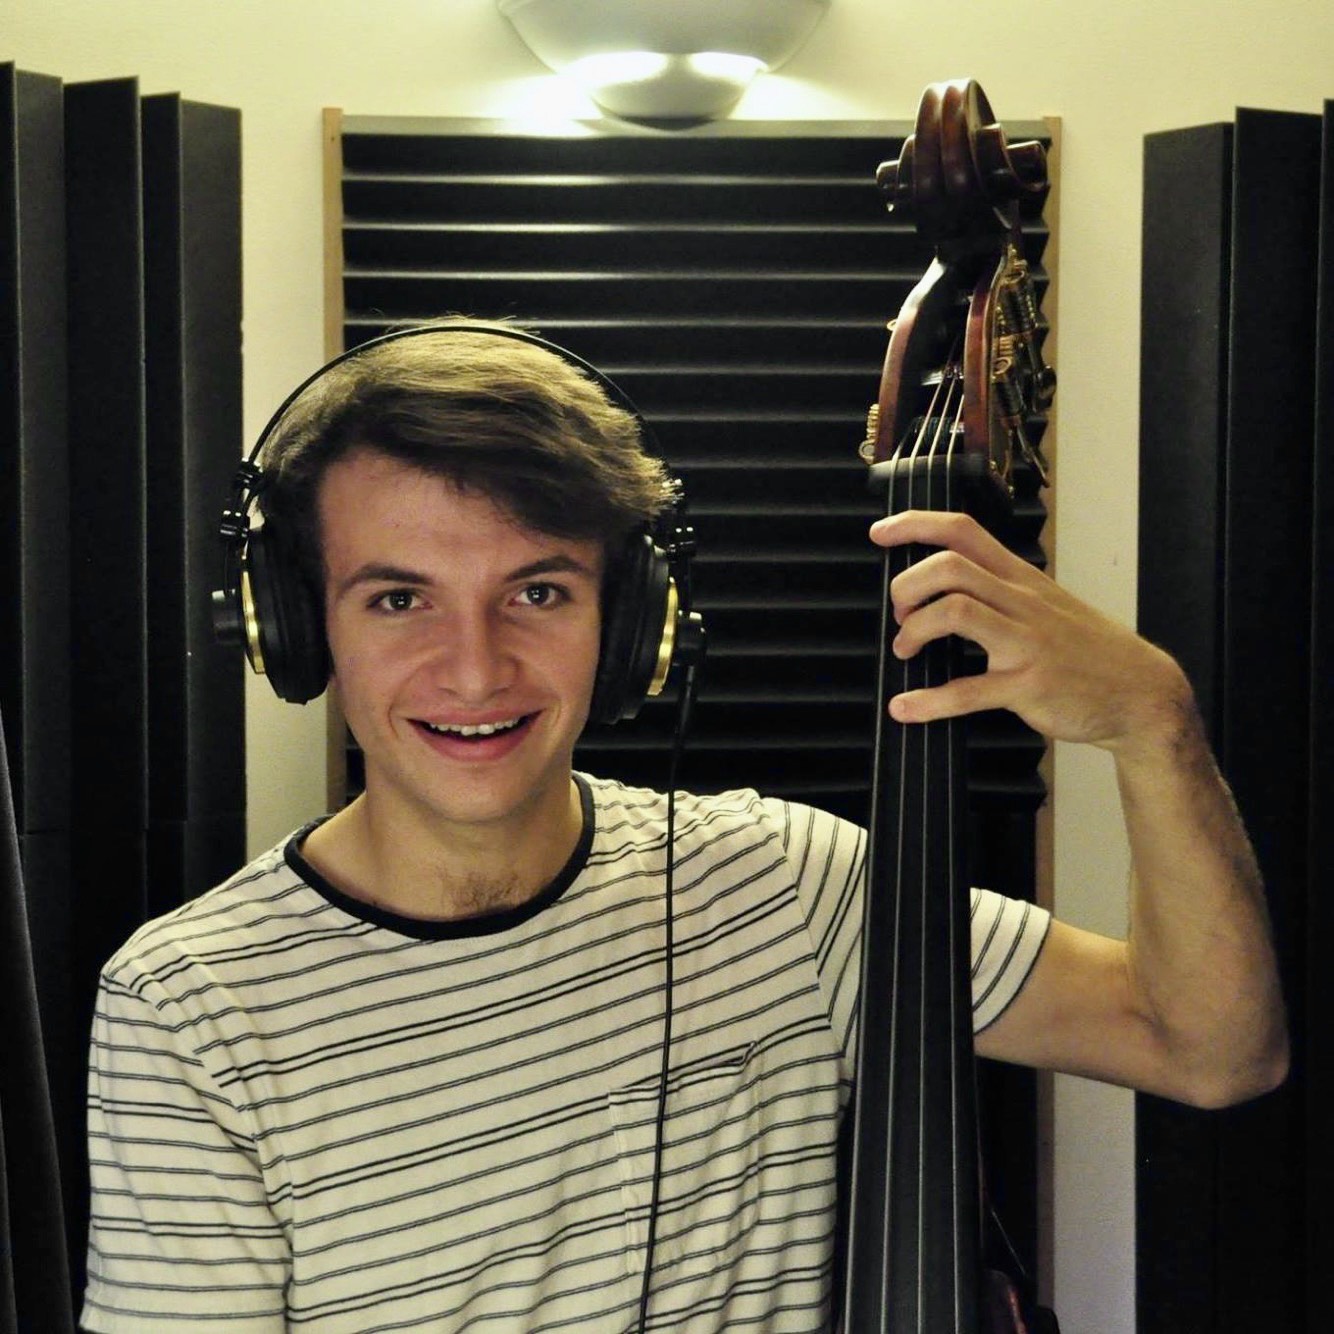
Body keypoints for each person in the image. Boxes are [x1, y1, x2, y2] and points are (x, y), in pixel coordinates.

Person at [80, 320, 1287, 1333]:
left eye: (537, 590)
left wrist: (1152, 721)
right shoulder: (189, 1007)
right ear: (293, 629)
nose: (474, 665)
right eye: (398, 597)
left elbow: (1211, 1048)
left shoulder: (780, 882)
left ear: (632, 624)